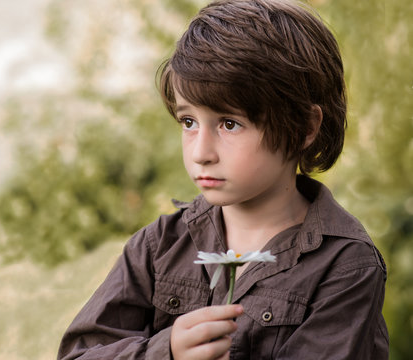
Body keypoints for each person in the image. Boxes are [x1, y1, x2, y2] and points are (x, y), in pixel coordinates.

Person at [58, 0, 389, 359]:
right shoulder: (159, 246)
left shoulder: (346, 266)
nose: (201, 152)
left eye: (229, 124)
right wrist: (165, 351)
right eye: (189, 122)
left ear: (305, 127)